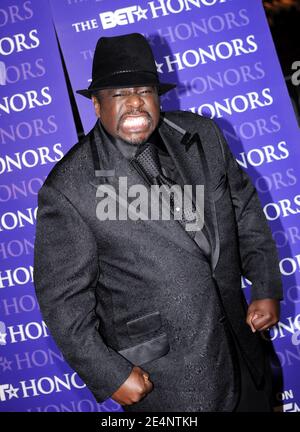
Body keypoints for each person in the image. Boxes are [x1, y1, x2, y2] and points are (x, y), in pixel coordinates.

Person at [33, 33, 283, 412]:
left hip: (243, 350)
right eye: (118, 94)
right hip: (169, 382)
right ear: (97, 107)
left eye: (143, 90)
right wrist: (109, 374)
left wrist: (265, 284)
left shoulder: (204, 136)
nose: (134, 102)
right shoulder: (69, 187)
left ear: (157, 96)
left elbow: (244, 208)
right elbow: (62, 301)